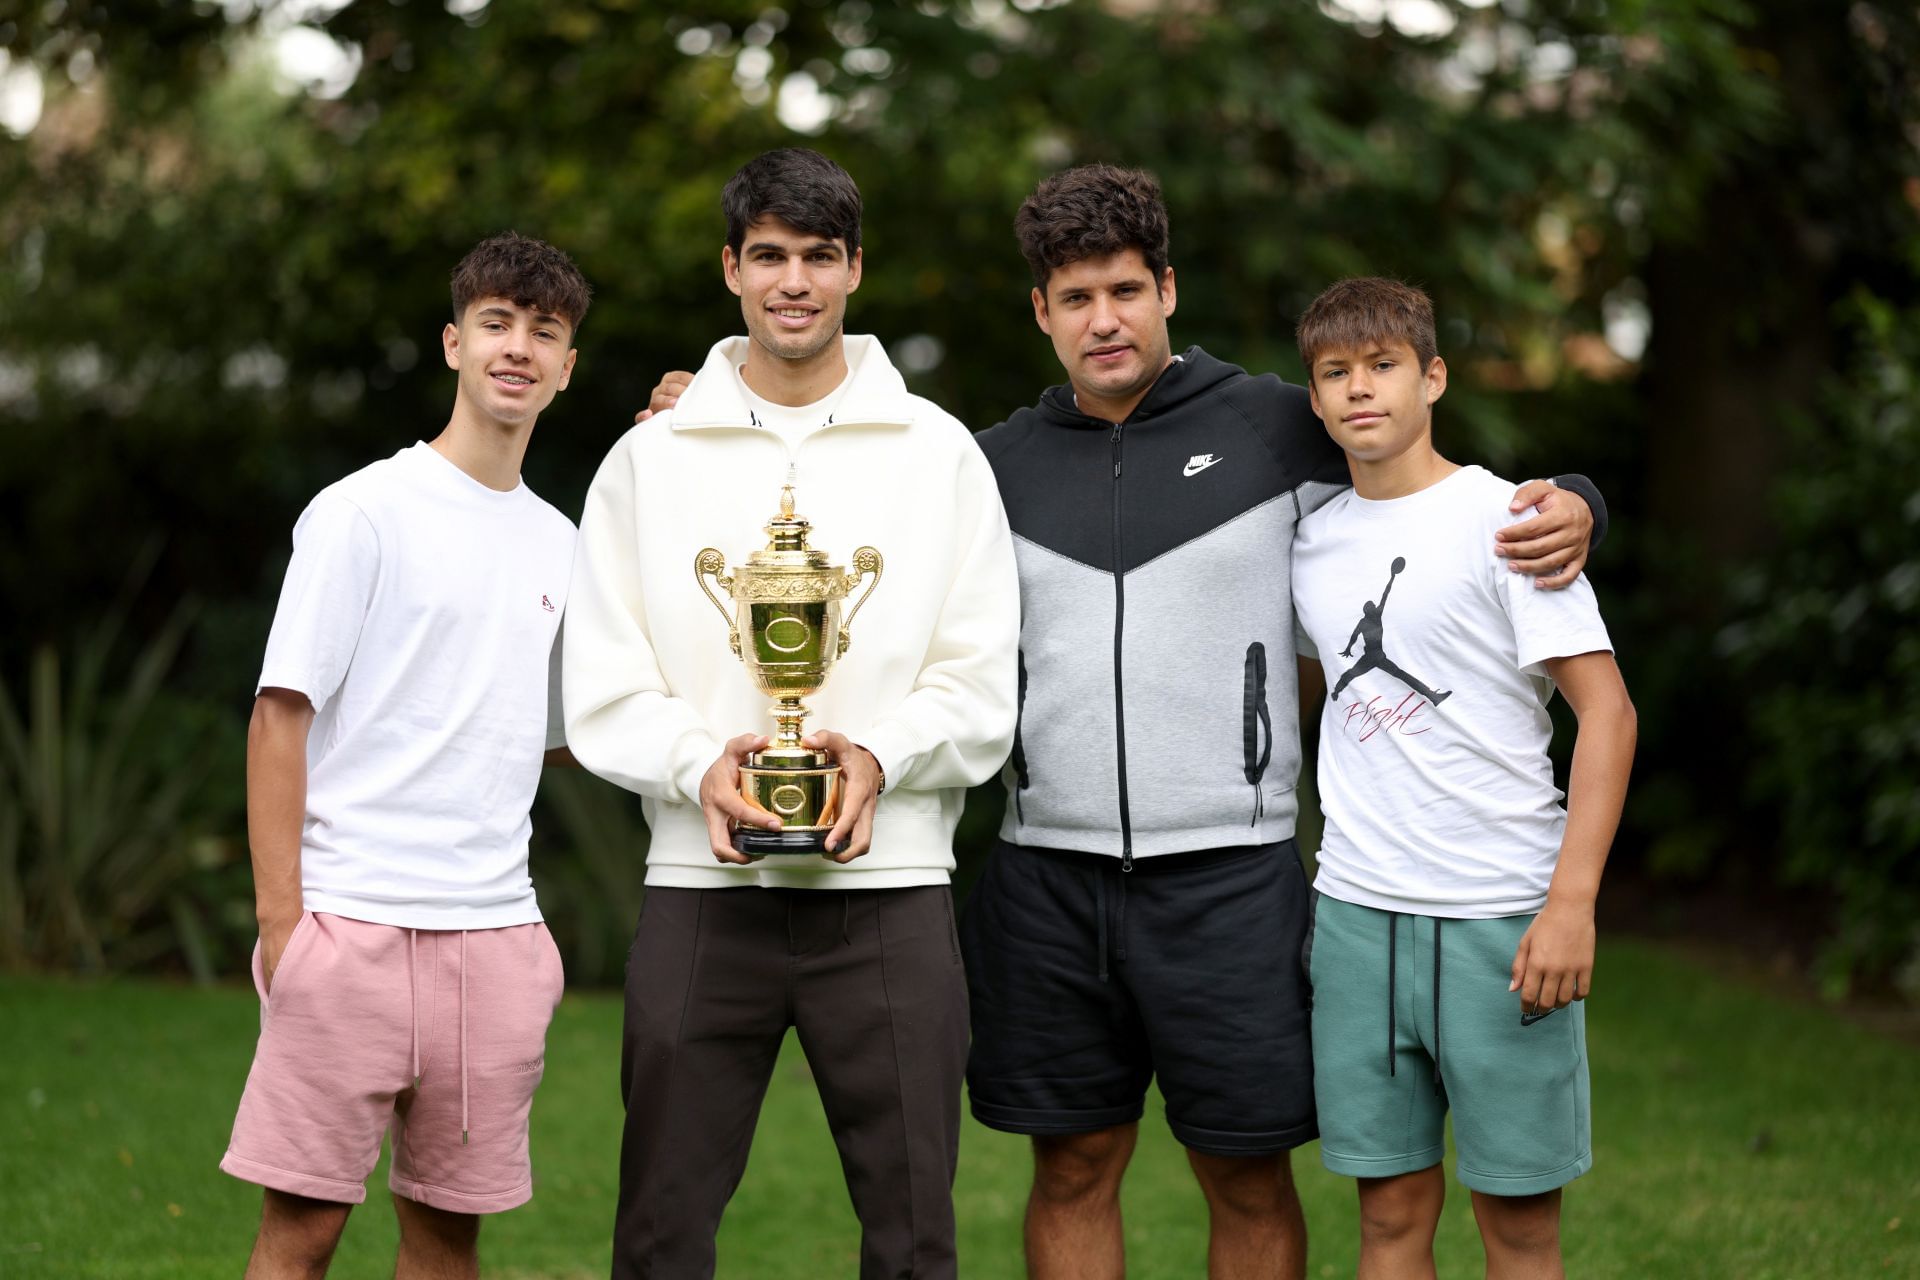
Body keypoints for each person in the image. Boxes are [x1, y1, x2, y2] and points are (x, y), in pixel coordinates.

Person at [637, 163, 1604, 1280]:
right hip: (1048, 880)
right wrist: (713, 411)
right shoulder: (981, 464)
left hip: (1231, 879)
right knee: (1075, 1164)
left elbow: (1431, 474)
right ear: (1040, 312)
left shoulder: (1278, 428)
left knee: (1244, 1172)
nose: (1105, 319)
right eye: (1076, 297)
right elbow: (820, 492)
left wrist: (1581, 494)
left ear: (1168, 291)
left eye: (1126, 290)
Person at [563, 147, 1019, 1280]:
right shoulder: (645, 459)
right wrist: (691, 765)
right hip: (703, 889)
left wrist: (880, 753)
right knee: (661, 1231)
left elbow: (980, 681)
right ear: (731, 269)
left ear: (856, 268)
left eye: (820, 255)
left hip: (893, 890)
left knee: (915, 1236)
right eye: (769, 255)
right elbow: (604, 681)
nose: (794, 282)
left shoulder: (942, 452)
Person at [220, 232, 590, 1279]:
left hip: (497, 939)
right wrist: (285, 927)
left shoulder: (564, 542)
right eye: (497, 324)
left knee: (445, 1240)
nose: (517, 348)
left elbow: (553, 738)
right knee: (302, 1233)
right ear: (453, 343)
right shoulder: (361, 512)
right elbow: (278, 716)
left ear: (568, 366)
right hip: (350, 928)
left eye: (544, 331)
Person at [1291, 277, 1635, 1280]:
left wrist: (1572, 902)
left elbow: (1608, 712)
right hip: (1356, 916)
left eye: (1384, 365)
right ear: (1313, 398)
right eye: (1336, 372)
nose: (1361, 390)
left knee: (1519, 1227)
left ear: (1433, 376)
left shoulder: (1512, 519)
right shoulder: (1308, 541)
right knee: (1390, 1218)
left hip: (1504, 918)